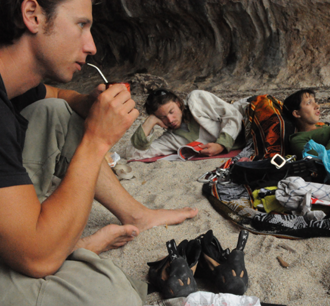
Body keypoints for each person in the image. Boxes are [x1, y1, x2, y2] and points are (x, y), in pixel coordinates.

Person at [0, 0, 197, 304]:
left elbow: (55, 95)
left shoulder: (11, 82)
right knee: (111, 295)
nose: (91, 45)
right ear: (33, 15)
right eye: (81, 25)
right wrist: (97, 139)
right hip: (32, 251)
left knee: (55, 111)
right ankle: (75, 246)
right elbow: (36, 258)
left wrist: (83, 104)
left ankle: (136, 215)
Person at [124, 88, 246, 160]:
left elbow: (233, 115)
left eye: (172, 112)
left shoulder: (196, 100)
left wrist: (221, 145)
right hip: (249, 144)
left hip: (250, 117)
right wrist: (149, 122)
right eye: (162, 117)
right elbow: (132, 153)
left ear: (178, 103)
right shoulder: (171, 139)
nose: (170, 120)